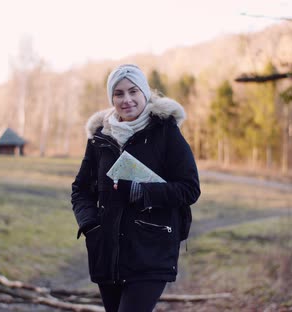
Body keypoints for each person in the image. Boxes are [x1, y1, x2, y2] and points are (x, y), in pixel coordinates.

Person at [71, 64, 200, 312]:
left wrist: (141, 192)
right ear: (111, 98)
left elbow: (189, 188)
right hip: (107, 250)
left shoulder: (165, 131)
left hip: (151, 249)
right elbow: (81, 189)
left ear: (144, 93)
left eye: (133, 91)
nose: (126, 99)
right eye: (118, 93)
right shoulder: (100, 136)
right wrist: (90, 225)